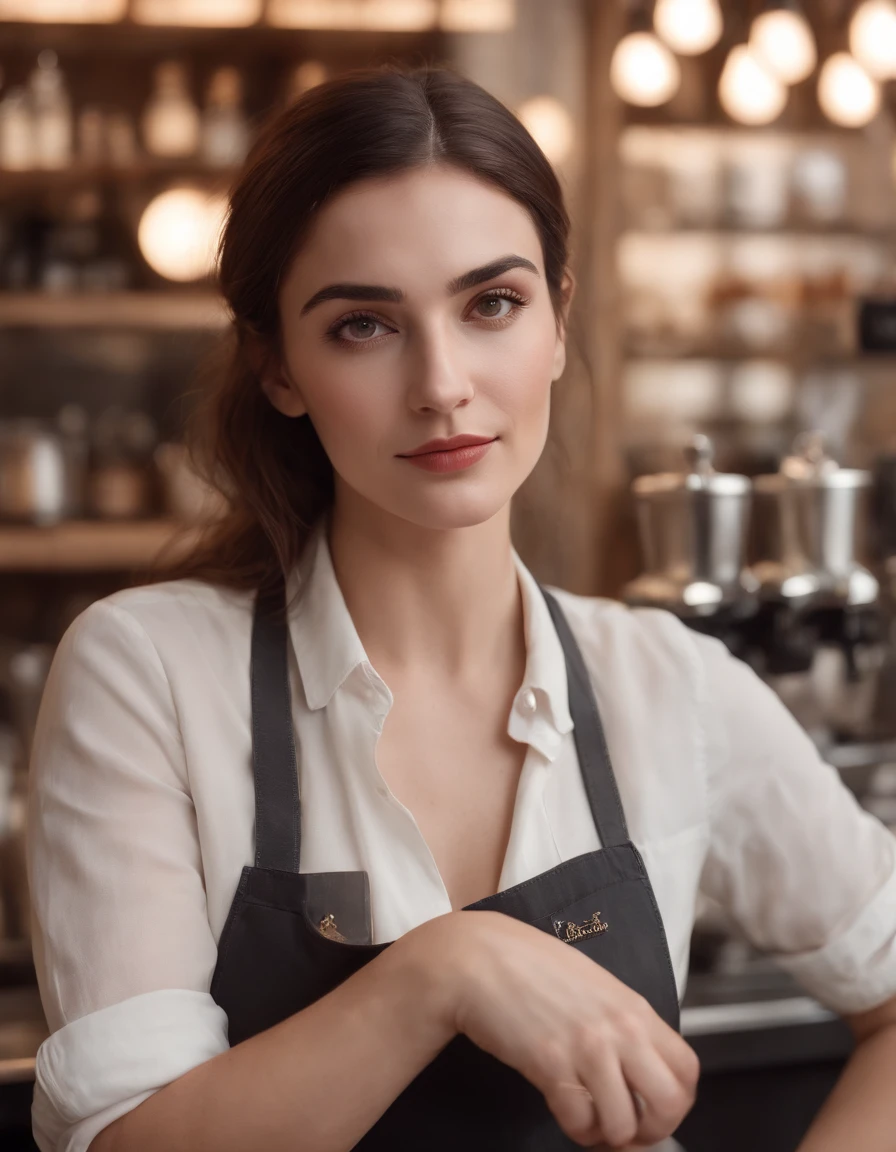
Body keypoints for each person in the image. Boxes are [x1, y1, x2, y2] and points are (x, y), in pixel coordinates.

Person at [26, 63, 896, 1152]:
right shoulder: (145, 672)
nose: (441, 382)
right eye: (363, 325)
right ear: (277, 366)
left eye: (491, 304)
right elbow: (128, 1142)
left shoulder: (665, 682)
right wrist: (441, 972)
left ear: (558, 320)